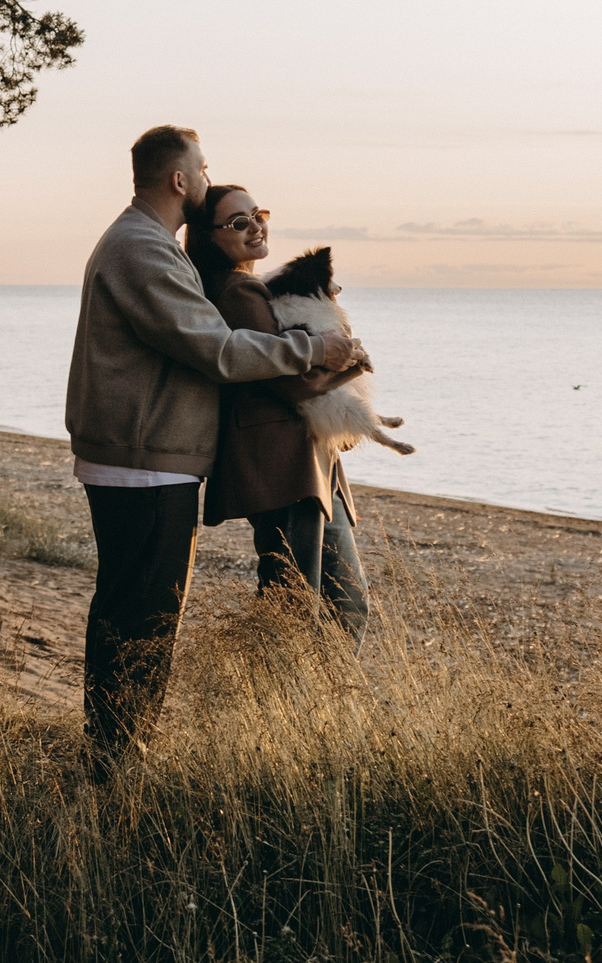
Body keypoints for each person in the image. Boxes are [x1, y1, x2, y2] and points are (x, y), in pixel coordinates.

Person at [64, 125, 363, 773]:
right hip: (142, 467)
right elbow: (220, 350)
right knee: (142, 615)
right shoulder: (142, 249)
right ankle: (115, 758)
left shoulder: (144, 244)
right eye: (203, 169)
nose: (207, 176)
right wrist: (315, 348)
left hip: (145, 460)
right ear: (180, 180)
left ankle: (116, 752)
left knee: (134, 608)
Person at [185, 185, 372, 641]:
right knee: (305, 606)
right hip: (284, 468)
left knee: (326, 605)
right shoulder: (237, 291)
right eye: (238, 223)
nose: (256, 227)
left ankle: (309, 706)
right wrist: (351, 362)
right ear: (210, 238)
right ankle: (286, 706)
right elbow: (291, 380)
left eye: (258, 214)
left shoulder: (253, 289)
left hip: (300, 467)